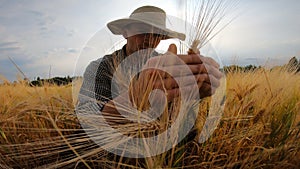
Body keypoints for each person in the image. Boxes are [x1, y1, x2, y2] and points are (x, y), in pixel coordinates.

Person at [77, 5, 222, 145]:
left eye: (157, 34)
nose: (150, 39)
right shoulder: (99, 68)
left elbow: (184, 126)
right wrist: (131, 100)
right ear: (126, 33)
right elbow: (86, 118)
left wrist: (194, 92)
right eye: (143, 30)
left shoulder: (171, 66)